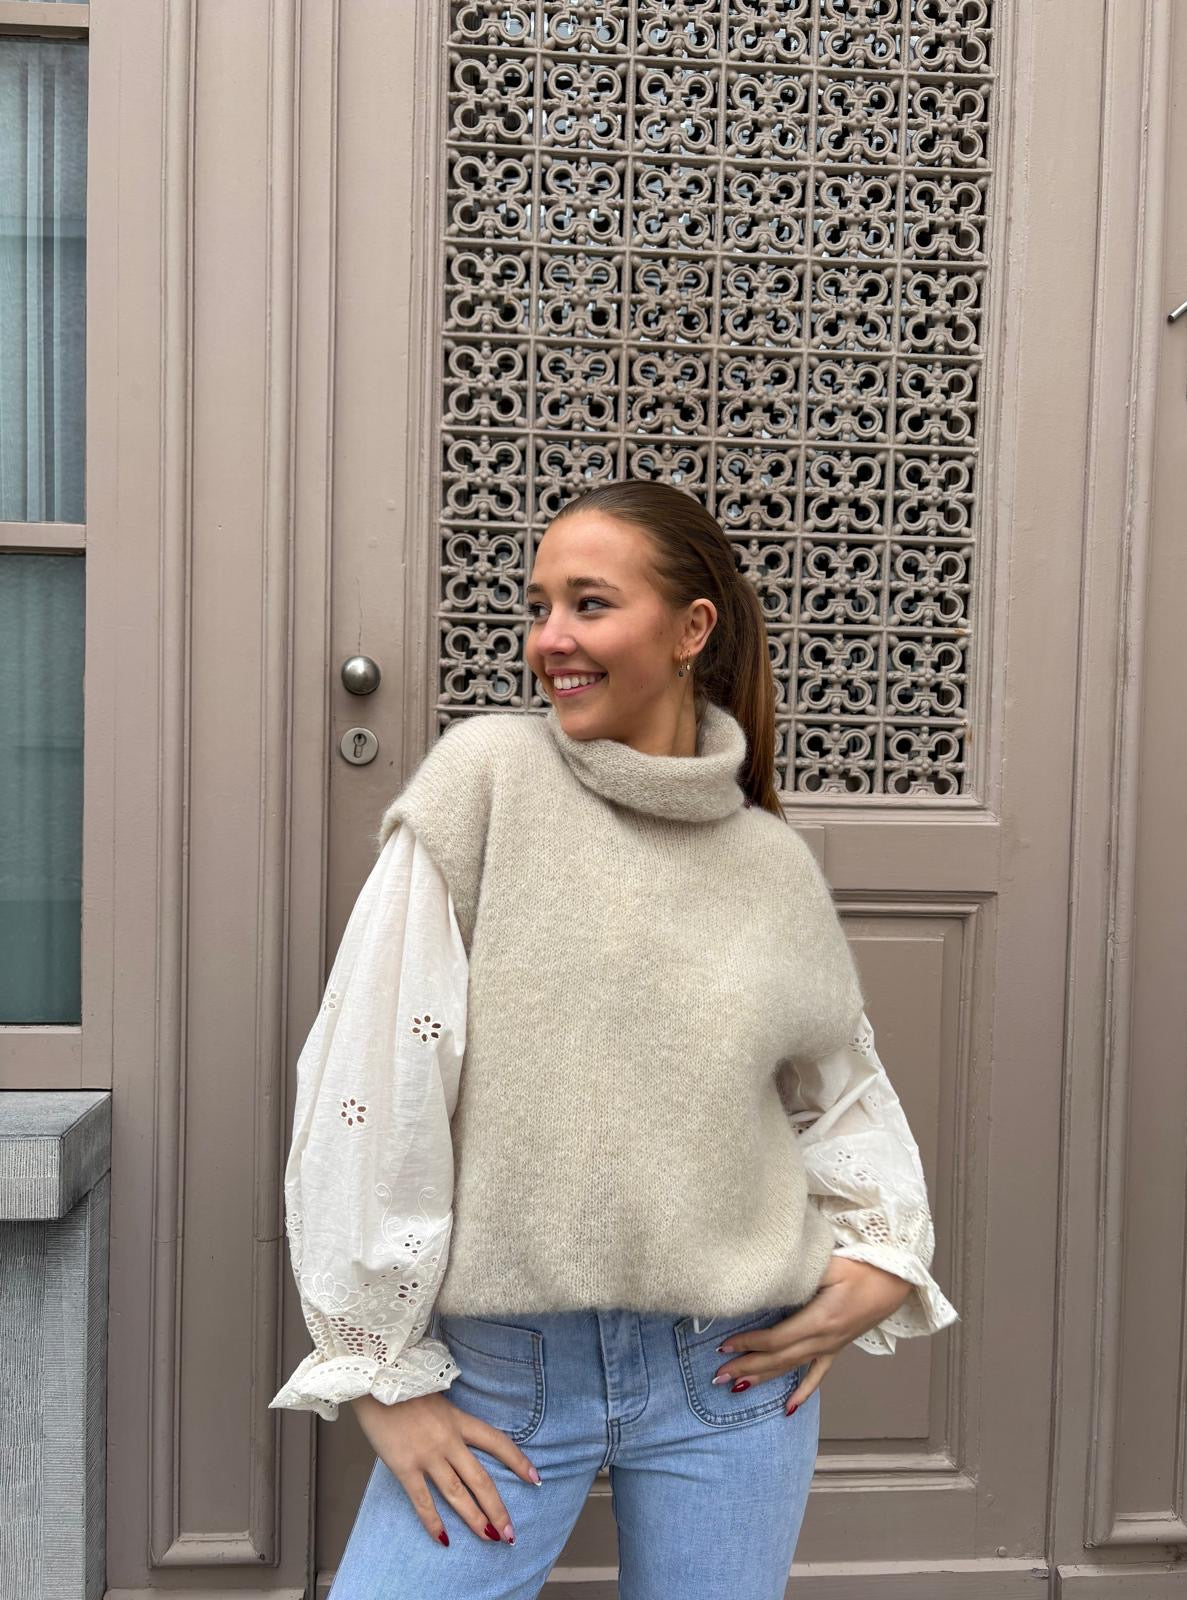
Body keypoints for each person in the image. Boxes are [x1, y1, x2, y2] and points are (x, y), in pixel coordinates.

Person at [269, 479, 958, 1599]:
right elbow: (374, 1074)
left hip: (729, 1373)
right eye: (539, 606)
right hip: (504, 1377)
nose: (551, 638)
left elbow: (836, 1087)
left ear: (692, 630)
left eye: (589, 604)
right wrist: (381, 1375)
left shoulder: (763, 857)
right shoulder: (486, 784)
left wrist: (882, 1251)